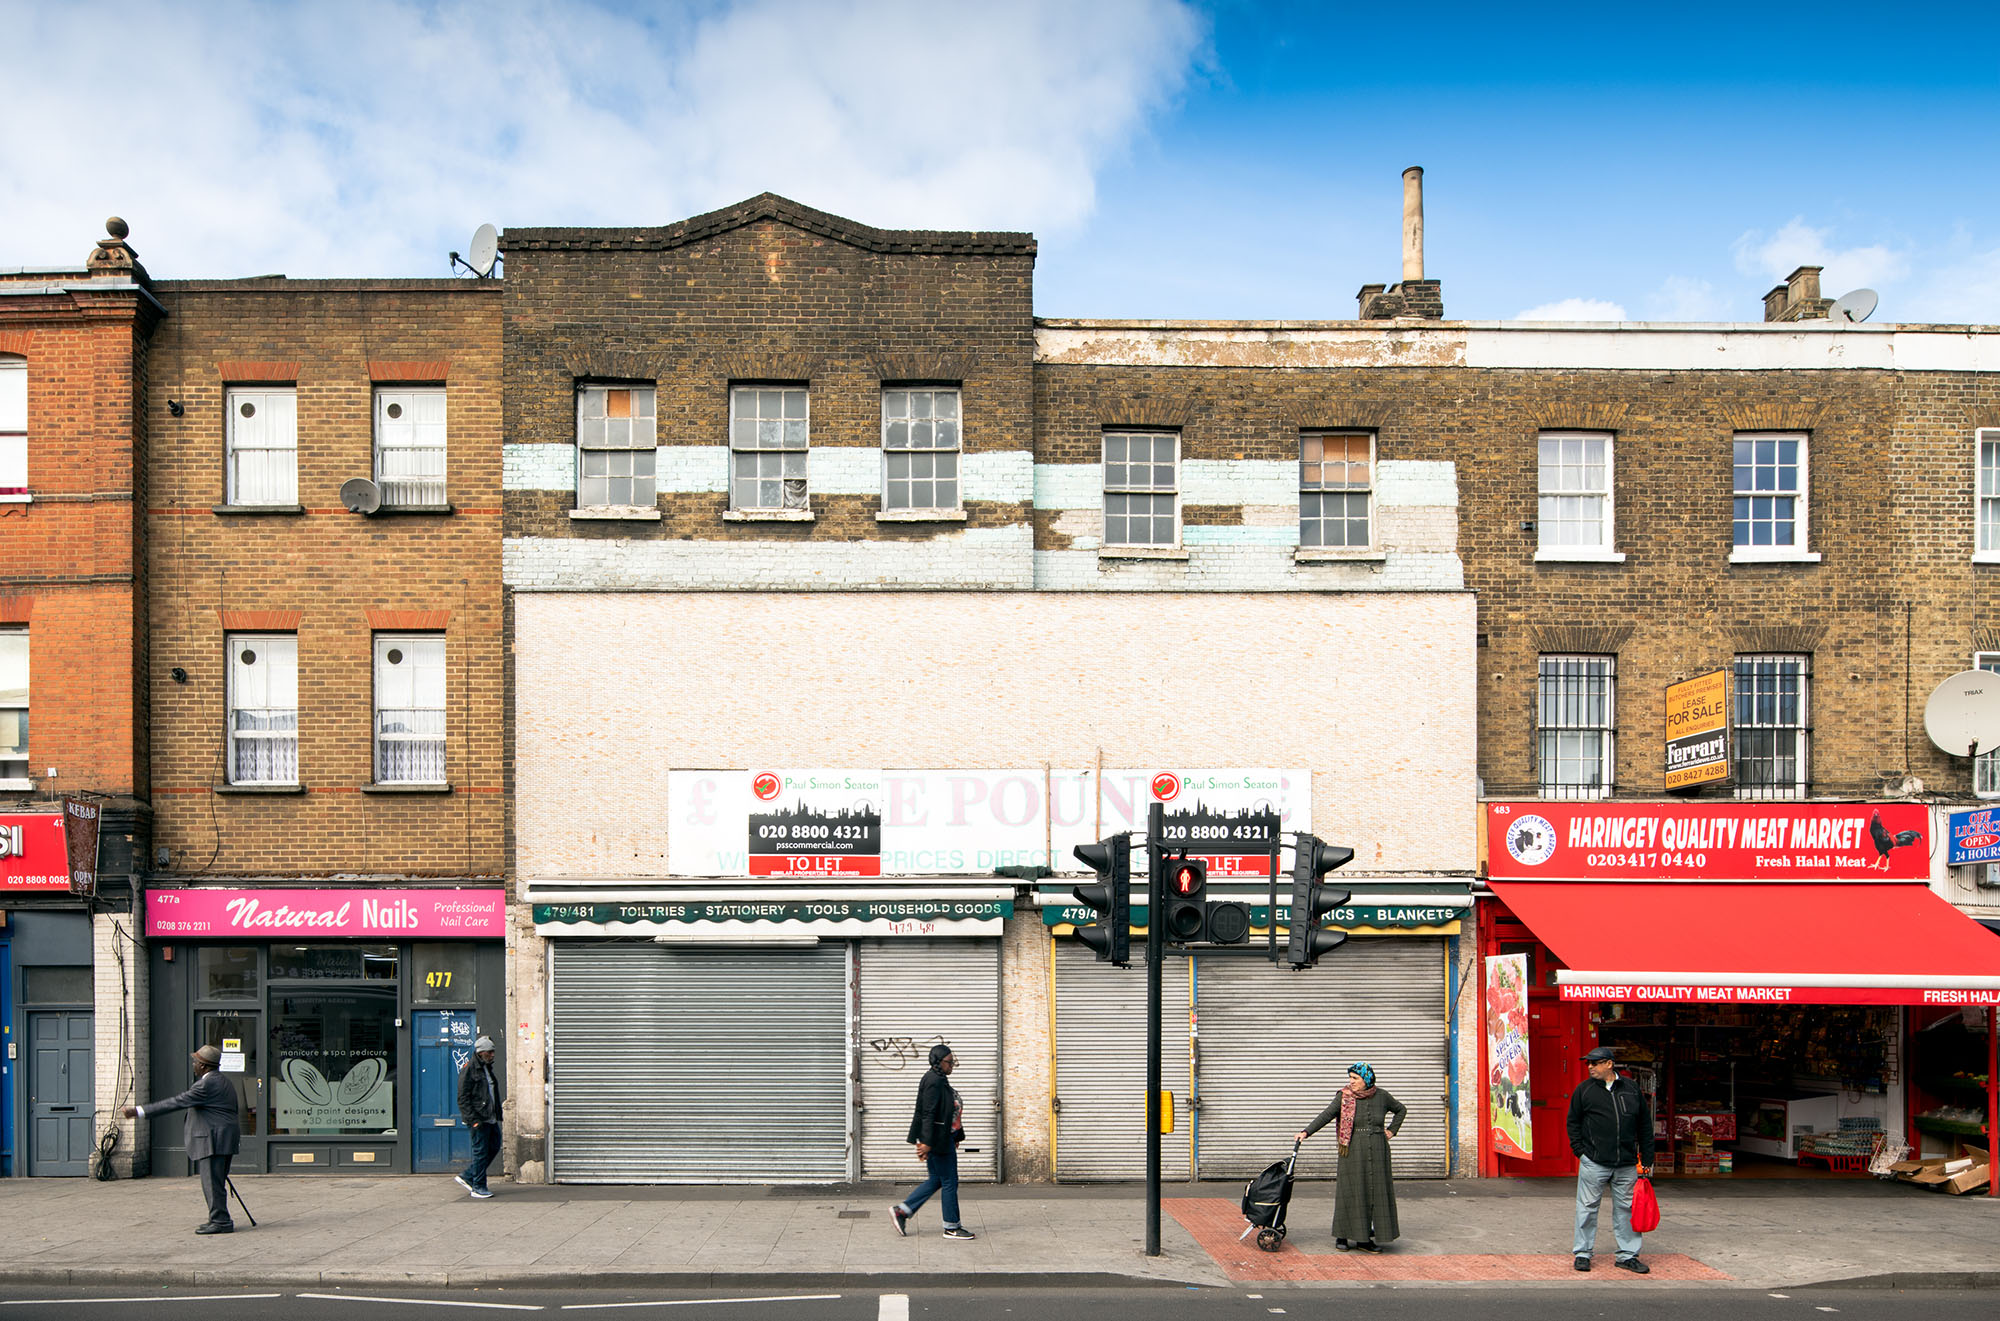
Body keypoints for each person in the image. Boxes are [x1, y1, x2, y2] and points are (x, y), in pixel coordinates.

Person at [122, 1044, 242, 1234]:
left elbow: (176, 1102)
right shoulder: (224, 1081)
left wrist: (138, 1111)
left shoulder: (206, 1084)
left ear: (203, 1066)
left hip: (213, 1139)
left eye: (195, 1062)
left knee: (211, 1181)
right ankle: (218, 1217)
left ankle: (221, 1221)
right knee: (216, 1181)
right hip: (223, 1138)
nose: (193, 1065)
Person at [1296, 1061, 1406, 1251]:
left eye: (1355, 1078)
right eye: (1350, 1078)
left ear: (1367, 1079)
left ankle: (1365, 1239)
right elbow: (1326, 1115)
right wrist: (1306, 1132)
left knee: (1374, 1194)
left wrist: (1391, 1131)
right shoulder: (1344, 1096)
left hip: (1378, 1150)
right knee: (1351, 1191)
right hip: (1353, 1149)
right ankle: (1342, 1236)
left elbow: (1401, 1110)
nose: (1351, 1082)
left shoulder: (1382, 1096)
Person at [1567, 1044, 1655, 1274]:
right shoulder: (1584, 1090)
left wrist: (1647, 1157)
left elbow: (1644, 1125)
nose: (1590, 1067)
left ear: (1609, 1064)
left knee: (1626, 1209)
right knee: (1586, 1208)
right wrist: (1580, 1152)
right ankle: (1583, 1253)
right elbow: (1573, 1123)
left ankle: (1627, 1255)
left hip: (1626, 1163)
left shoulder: (1631, 1089)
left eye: (1594, 1063)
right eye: (1588, 1063)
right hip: (1594, 1161)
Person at [890, 1043, 974, 1240]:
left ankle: (902, 1211)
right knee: (949, 1181)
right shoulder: (933, 1081)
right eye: (949, 1061)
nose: (952, 1064)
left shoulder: (940, 1079)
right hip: (938, 1140)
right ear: (938, 1061)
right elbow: (927, 1113)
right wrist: (926, 1142)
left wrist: (957, 1136)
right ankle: (952, 1226)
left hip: (943, 1138)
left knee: (937, 1179)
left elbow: (948, 1111)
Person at [456, 1034, 503, 1199]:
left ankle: (468, 1176)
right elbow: (462, 1098)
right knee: (481, 1152)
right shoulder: (469, 1069)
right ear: (481, 1052)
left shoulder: (486, 1068)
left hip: (490, 1117)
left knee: (494, 1146)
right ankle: (478, 1187)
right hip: (479, 1119)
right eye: (489, 1052)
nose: (492, 1055)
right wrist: (473, 1121)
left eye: (493, 1052)